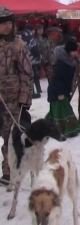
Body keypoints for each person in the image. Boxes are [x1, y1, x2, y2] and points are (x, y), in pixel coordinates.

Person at [0, 6, 33, 185]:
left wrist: (24, 100)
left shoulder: (18, 45)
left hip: (11, 101)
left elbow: (26, 74)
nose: (7, 26)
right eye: (3, 23)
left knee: (9, 136)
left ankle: (9, 171)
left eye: (9, 23)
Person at [46, 40, 80, 138]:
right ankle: (64, 129)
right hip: (57, 92)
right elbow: (58, 80)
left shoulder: (70, 61)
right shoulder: (61, 64)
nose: (76, 53)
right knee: (62, 110)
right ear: (69, 51)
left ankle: (51, 127)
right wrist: (60, 93)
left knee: (61, 110)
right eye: (75, 51)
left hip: (63, 90)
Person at [21, 23, 41, 99]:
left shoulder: (20, 36)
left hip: (22, 60)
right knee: (31, 76)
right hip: (30, 60)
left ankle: (27, 93)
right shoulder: (30, 37)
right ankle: (32, 93)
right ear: (31, 30)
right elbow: (34, 49)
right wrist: (38, 56)